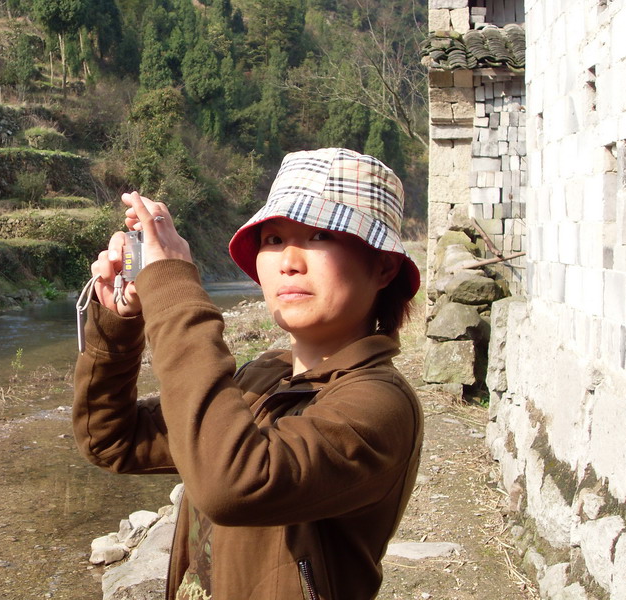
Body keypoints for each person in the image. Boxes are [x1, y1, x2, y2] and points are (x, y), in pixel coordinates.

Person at [72, 147, 424, 600]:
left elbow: (232, 483)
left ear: (384, 267)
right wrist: (117, 327)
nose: (288, 261)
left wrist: (173, 287)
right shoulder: (264, 376)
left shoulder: (380, 403)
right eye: (273, 239)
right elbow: (114, 440)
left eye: (320, 236)